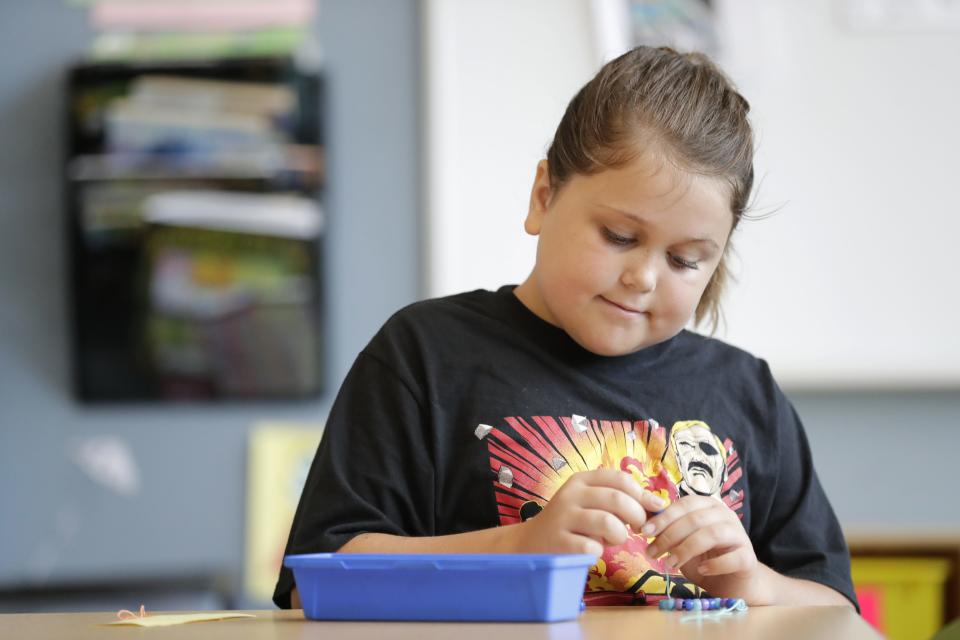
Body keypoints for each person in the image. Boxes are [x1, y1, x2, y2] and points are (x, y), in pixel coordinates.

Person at [274, 46, 857, 610]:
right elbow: (317, 583)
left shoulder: (746, 391)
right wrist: (519, 546)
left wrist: (754, 582)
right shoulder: (424, 355)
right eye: (619, 237)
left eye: (685, 260)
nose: (643, 278)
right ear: (543, 196)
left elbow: (834, 606)